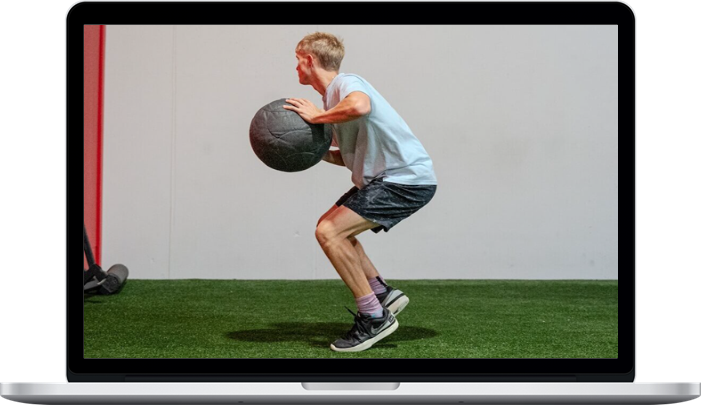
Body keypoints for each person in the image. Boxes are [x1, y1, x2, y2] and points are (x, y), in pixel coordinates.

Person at [283, 32, 438, 353]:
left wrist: (317, 117)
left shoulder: (346, 84)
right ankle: (382, 294)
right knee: (333, 227)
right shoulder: (332, 102)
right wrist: (309, 150)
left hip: (404, 180)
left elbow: (360, 105)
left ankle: (374, 317)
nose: (295, 67)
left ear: (309, 60)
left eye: (297, 60)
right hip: (390, 180)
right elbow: (346, 155)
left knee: (330, 232)